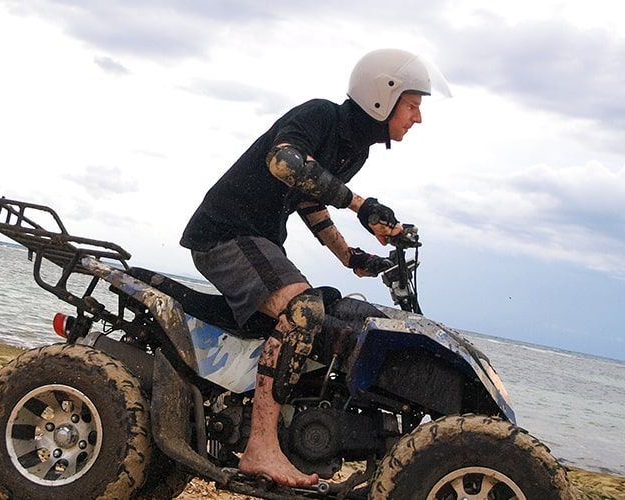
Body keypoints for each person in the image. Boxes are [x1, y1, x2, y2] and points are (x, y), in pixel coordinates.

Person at [179, 48, 451, 487]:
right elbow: (283, 163)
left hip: (259, 242)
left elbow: (308, 200)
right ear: (383, 96)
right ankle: (260, 448)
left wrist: (351, 257)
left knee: (330, 316)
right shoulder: (319, 116)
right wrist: (359, 203)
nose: (418, 118)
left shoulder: (354, 150)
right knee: (303, 311)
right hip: (225, 233)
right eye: (414, 105)